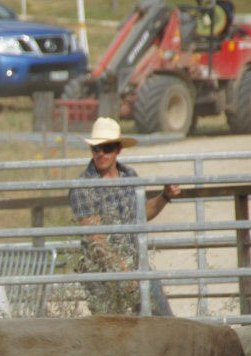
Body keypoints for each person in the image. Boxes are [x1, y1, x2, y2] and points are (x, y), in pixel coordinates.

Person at [68, 117, 180, 316]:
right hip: (102, 273)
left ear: (118, 149)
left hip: (136, 265)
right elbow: (96, 239)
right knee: (110, 332)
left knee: (162, 322)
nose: (101, 153)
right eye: (96, 148)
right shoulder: (83, 186)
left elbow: (142, 213)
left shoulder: (130, 175)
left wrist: (164, 196)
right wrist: (124, 273)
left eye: (107, 147)